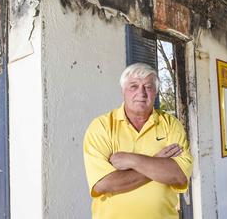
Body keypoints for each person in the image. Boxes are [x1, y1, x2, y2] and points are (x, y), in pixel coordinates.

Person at [83, 63, 193, 219]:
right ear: (123, 91)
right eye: (133, 86)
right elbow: (103, 184)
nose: (141, 93)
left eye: (148, 87)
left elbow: (179, 175)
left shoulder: (171, 125)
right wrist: (157, 162)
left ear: (155, 92)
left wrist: (131, 160)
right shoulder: (102, 126)